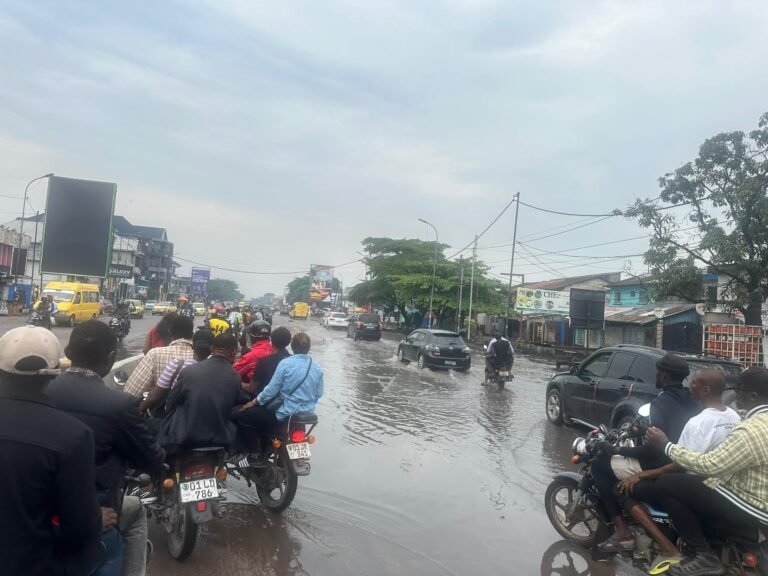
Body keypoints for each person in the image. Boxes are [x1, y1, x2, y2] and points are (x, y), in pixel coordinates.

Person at [47, 320, 166, 576]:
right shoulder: (119, 405)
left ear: (68, 353)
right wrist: (158, 463)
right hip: (94, 513)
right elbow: (150, 456)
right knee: (134, 513)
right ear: (111, 358)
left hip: (41, 511)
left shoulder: (42, 392)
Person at [644, 367, 768, 576]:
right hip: (754, 493)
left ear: (753, 396)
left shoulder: (753, 429)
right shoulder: (737, 417)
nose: (735, 394)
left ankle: (703, 555)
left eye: (738, 389)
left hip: (752, 507)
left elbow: (710, 464)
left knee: (668, 483)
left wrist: (665, 445)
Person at [0, 326, 102, 576]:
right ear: (55, 373)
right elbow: (80, 529)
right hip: (33, 565)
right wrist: (99, 517)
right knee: (105, 544)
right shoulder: (74, 435)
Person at [617, 369, 742, 570]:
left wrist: (640, 475)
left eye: (694, 383)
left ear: (705, 389)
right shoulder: (734, 416)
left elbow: (680, 464)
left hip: (693, 486)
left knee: (625, 490)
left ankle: (671, 548)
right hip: (721, 486)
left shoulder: (697, 423)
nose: (689, 386)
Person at [591, 352, 699, 553]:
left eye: (658, 372)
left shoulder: (661, 402)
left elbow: (652, 450)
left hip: (661, 464)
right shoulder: (693, 400)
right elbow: (674, 430)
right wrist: (643, 431)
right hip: (683, 462)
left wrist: (616, 449)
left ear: (665, 376)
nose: (656, 375)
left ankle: (622, 531)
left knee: (599, 465)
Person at [232, 332, 323, 452]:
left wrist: (254, 402)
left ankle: (253, 455)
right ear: (308, 348)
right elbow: (318, 394)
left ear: (293, 346)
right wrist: (306, 405)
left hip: (284, 413)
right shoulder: (317, 367)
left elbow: (271, 389)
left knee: (244, 417)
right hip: (306, 414)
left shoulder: (286, 364)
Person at [159, 333, 243, 453]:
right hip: (219, 438)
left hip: (181, 436)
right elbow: (231, 405)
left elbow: (171, 401)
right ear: (234, 353)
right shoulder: (235, 377)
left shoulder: (189, 371)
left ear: (212, 349)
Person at [141, 328, 215, 417]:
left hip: (175, 422)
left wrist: (141, 409)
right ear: (212, 349)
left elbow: (154, 397)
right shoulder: (216, 372)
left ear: (192, 345)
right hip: (202, 423)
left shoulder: (176, 365)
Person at [126, 315, 194, 398]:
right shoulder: (202, 358)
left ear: (171, 332)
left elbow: (132, 391)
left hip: (159, 407)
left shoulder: (155, 354)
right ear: (192, 335)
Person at [234, 320, 275, 389]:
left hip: (255, 393)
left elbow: (232, 374)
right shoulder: (275, 350)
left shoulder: (251, 356)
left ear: (252, 337)